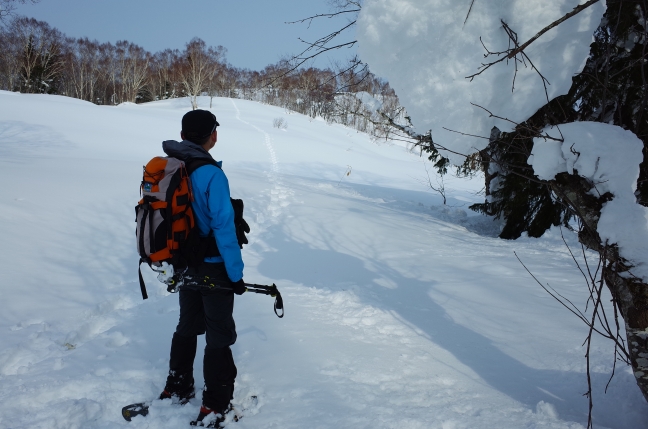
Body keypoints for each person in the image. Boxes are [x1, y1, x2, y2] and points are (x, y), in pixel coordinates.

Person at [160, 109, 246, 426]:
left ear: (183, 135)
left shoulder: (170, 166)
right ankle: (214, 405)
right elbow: (224, 230)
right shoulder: (212, 175)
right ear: (213, 135)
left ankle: (177, 386)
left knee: (187, 325)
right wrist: (235, 276)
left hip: (183, 267)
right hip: (213, 267)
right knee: (219, 335)